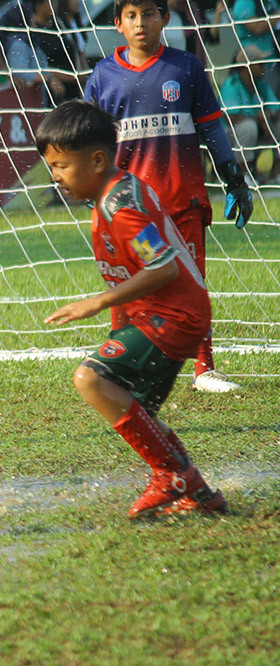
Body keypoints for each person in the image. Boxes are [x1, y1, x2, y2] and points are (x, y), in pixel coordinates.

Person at [37, 100, 227, 519]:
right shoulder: (115, 190)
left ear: (98, 159)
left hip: (173, 316)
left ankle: (171, 475)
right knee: (136, 407)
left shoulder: (120, 209)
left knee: (90, 379)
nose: (56, 177)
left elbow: (162, 268)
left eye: (61, 166)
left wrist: (98, 302)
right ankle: (199, 493)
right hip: (169, 315)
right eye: (52, 168)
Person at [83, 0, 253, 393]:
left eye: (149, 14)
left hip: (181, 200)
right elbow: (91, 143)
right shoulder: (103, 75)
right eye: (131, 15)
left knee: (193, 284)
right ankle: (119, 365)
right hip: (128, 210)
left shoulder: (186, 68)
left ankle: (204, 369)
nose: (141, 23)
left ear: (165, 19)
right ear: (118, 24)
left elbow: (212, 128)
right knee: (126, 289)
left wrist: (233, 177)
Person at [0, 0, 83, 104]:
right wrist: (49, 79)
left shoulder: (32, 42)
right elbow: (22, 74)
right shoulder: (18, 45)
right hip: (29, 102)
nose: (34, 20)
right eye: (31, 16)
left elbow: (42, 66)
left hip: (42, 99)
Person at [219, 45, 280, 183]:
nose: (264, 67)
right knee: (248, 126)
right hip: (228, 135)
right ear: (248, 66)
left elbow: (276, 109)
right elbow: (231, 118)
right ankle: (243, 174)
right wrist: (257, 119)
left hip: (258, 130)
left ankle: (276, 172)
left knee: (277, 124)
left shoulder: (262, 86)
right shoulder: (231, 85)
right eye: (260, 64)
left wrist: (267, 116)